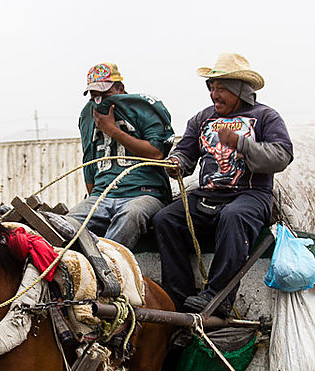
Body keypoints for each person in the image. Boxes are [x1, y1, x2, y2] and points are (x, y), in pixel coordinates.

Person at [153, 52, 293, 316]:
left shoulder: (265, 117)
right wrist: (177, 163)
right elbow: (186, 152)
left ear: (240, 90)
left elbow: (281, 156)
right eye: (212, 88)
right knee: (165, 219)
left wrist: (241, 144)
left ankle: (218, 296)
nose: (214, 94)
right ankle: (178, 296)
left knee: (234, 216)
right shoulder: (202, 118)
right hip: (208, 194)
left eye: (221, 88)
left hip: (250, 195)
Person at [68, 62, 174, 250]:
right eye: (95, 95)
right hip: (103, 195)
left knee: (131, 215)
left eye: (105, 94)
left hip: (143, 193)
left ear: (120, 88)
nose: (100, 100)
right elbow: (90, 162)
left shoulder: (143, 107)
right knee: (68, 223)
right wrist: (95, 194)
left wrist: (112, 130)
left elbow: (157, 153)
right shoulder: (88, 115)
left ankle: (109, 269)